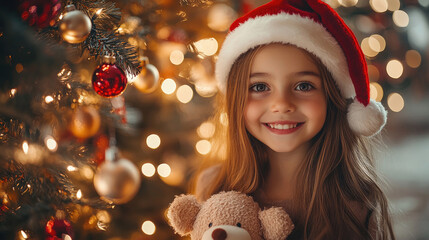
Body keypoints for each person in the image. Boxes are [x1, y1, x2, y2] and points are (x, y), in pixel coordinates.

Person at [192, 0, 395, 239]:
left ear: (332, 97)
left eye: (303, 85)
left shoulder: (357, 203)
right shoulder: (212, 186)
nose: (282, 104)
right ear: (236, 99)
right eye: (259, 86)